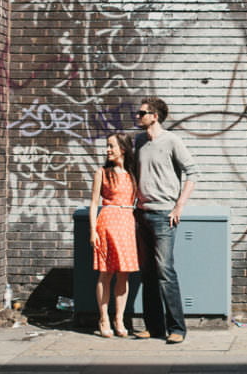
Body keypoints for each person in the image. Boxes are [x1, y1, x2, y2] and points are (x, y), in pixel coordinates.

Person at [133, 97, 199, 344]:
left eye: (141, 113)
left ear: (155, 116)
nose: (137, 117)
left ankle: (177, 328)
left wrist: (179, 206)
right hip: (142, 213)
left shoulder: (172, 141)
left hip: (163, 215)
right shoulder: (139, 141)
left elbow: (193, 172)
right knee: (148, 272)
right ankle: (154, 327)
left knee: (165, 271)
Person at [89, 132, 139, 338]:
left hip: (127, 223)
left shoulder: (133, 174)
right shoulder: (102, 172)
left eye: (112, 146)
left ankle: (119, 318)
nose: (108, 150)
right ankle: (103, 318)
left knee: (123, 274)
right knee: (105, 273)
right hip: (107, 222)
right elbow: (93, 203)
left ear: (123, 149)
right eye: (107, 146)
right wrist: (92, 230)